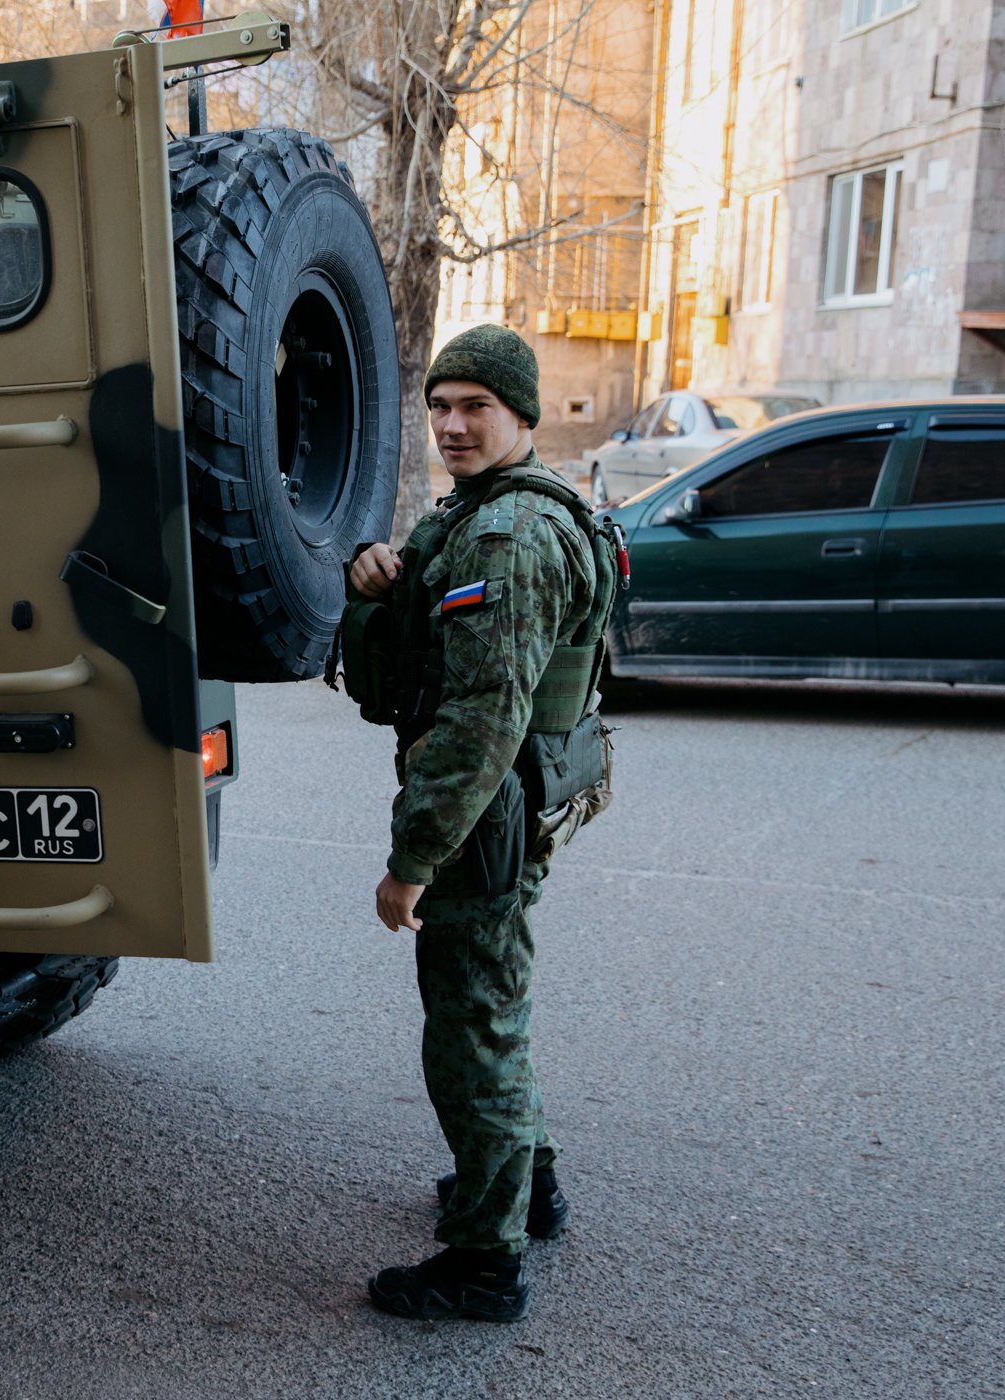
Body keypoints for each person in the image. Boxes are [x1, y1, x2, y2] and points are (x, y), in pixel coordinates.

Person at [348, 325, 597, 1324]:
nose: (451, 424)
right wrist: (383, 577)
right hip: (514, 804)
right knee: (495, 1000)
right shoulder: (488, 507)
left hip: (482, 814)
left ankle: (484, 1264)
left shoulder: (508, 535)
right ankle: (523, 1184)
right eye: (440, 405)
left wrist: (413, 858)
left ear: (521, 415)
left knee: (471, 1025)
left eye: (474, 407)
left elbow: (481, 720)